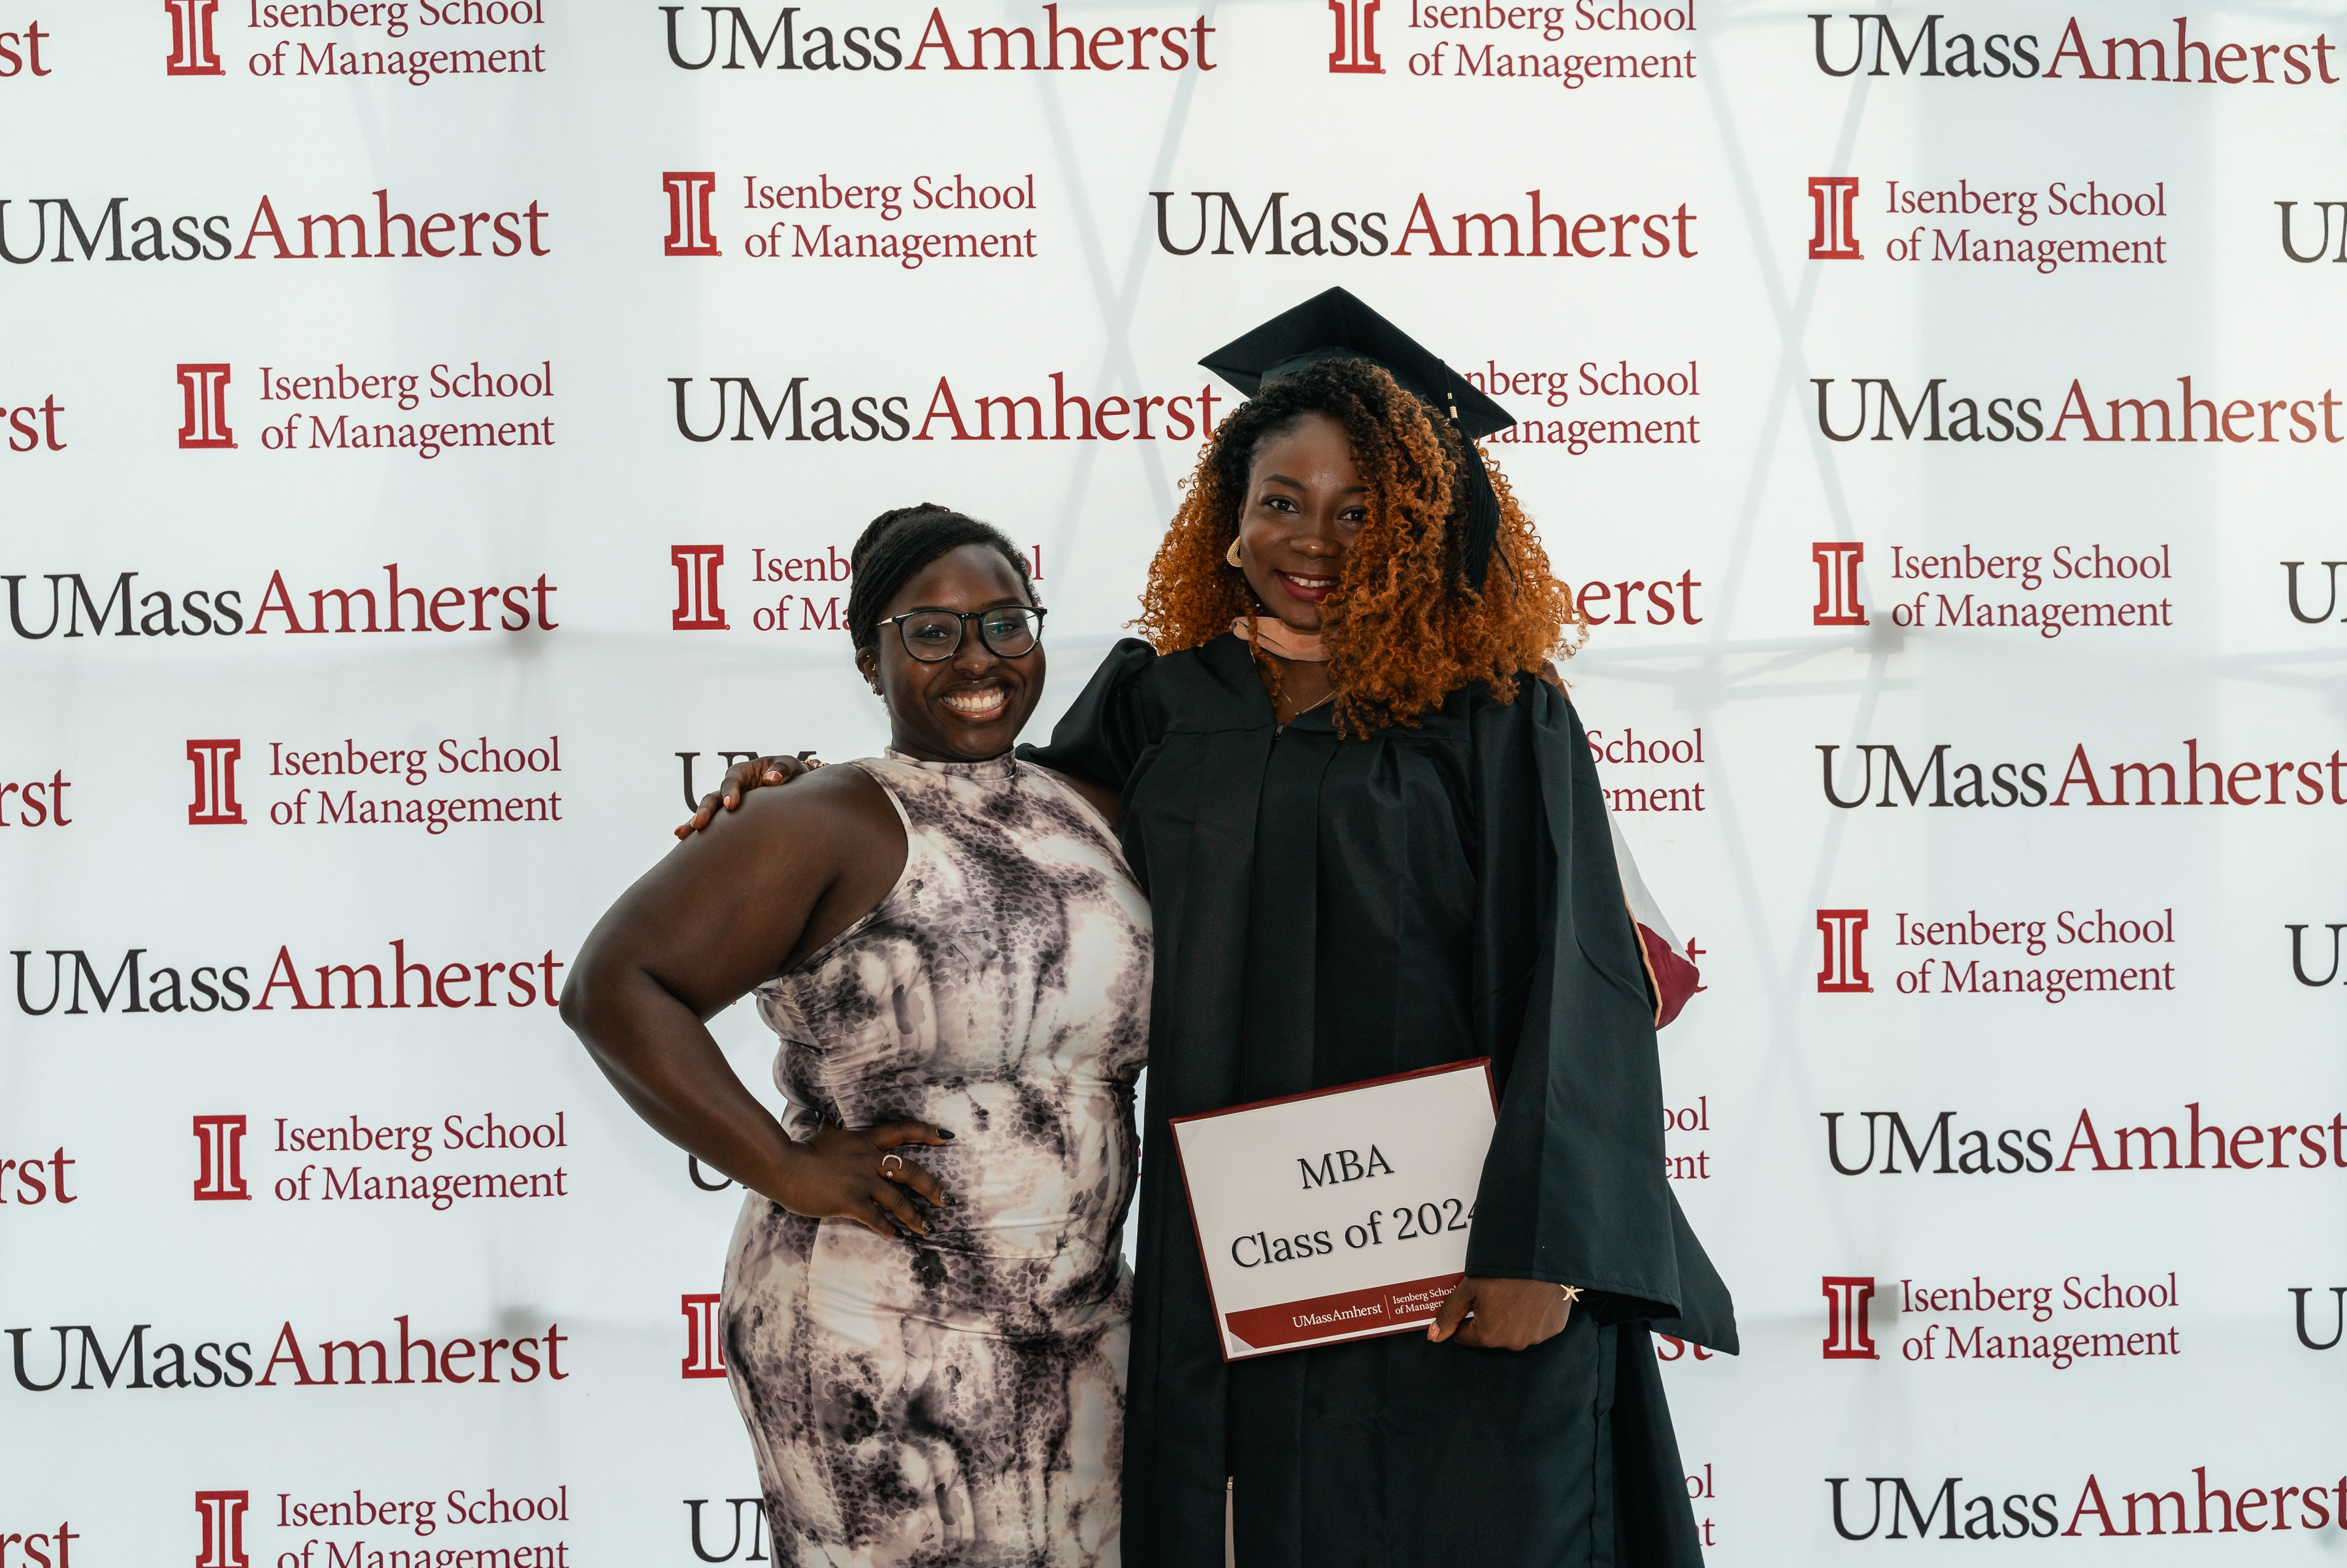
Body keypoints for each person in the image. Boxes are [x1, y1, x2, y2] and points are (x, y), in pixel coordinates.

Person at [684, 291, 1735, 1568]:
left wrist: (1544, 1256)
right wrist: (805, 799)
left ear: (1421, 523)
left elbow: (1578, 984)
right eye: (1281, 499)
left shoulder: (1498, 716)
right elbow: (1004, 844)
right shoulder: (1165, 702)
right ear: (1230, 517)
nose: (1314, 539)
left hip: (1458, 1257)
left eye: (1360, 510)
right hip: (1244, 1262)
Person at [564, 505, 1150, 1568]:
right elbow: (616, 986)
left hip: (1080, 1325)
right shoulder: (824, 815)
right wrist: (784, 1166)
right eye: (931, 631)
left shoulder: (1096, 811)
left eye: (1005, 623)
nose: (977, 657)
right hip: (873, 1331)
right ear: (869, 661)